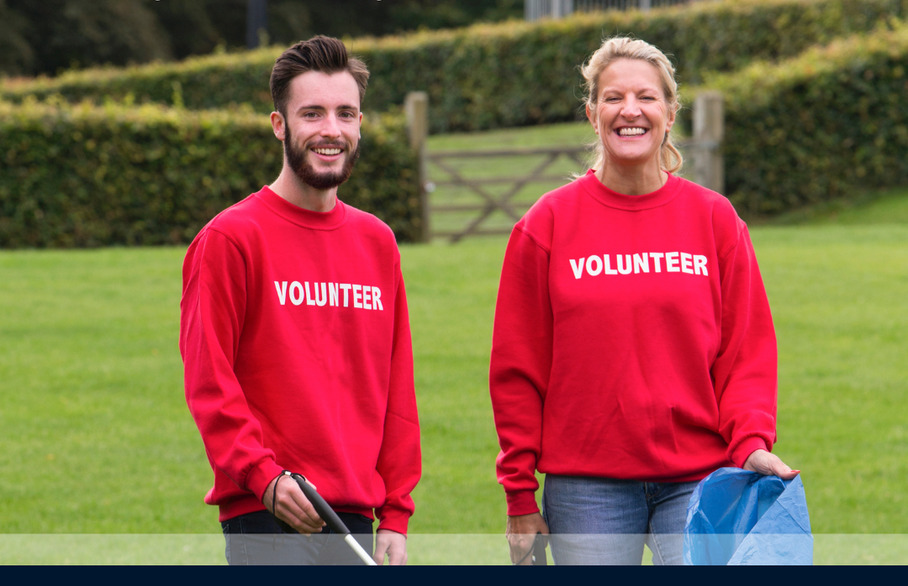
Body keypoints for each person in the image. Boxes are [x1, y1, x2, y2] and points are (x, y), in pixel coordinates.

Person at [488, 36, 798, 566]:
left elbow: (745, 352)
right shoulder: (547, 225)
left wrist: (751, 442)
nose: (629, 110)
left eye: (646, 97)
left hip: (700, 479)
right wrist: (519, 492)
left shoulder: (715, 221)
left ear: (670, 112)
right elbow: (517, 368)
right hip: (587, 488)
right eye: (613, 98)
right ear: (592, 114)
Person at [179, 36, 421, 566]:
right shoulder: (230, 239)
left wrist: (397, 513)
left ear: (360, 124)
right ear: (279, 125)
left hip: (359, 517)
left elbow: (396, 387)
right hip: (268, 512)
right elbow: (208, 380)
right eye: (311, 113)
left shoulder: (377, 242)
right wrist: (262, 478)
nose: (331, 130)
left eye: (345, 113)